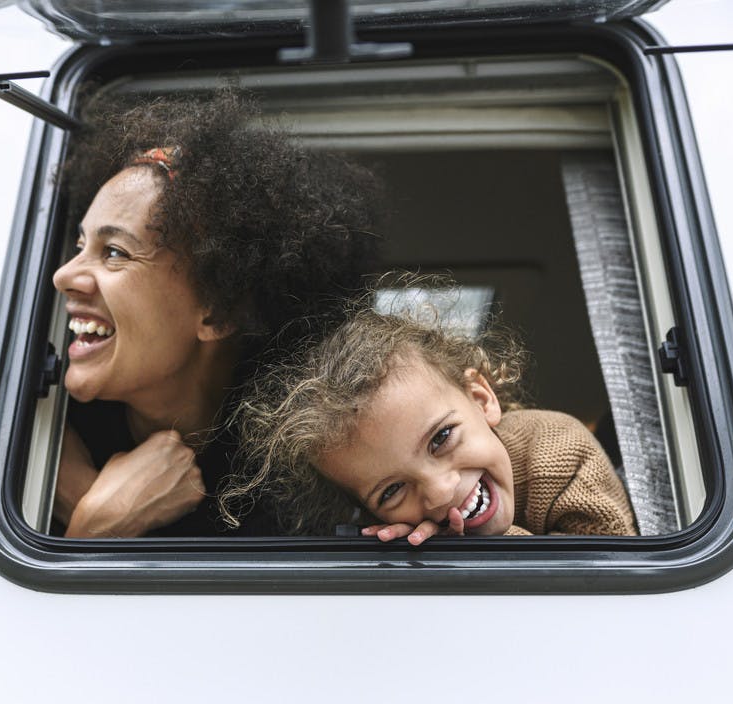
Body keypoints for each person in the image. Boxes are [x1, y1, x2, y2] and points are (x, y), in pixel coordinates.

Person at [51, 89, 381, 538]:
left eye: (114, 252)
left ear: (218, 312)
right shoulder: (33, 424)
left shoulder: (292, 495)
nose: (64, 275)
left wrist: (96, 528)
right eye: (79, 246)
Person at [220, 307, 638, 542]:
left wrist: (470, 550)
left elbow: (606, 571)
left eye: (440, 439)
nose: (440, 492)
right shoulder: (407, 538)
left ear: (481, 399)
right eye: (392, 490)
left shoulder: (557, 449)